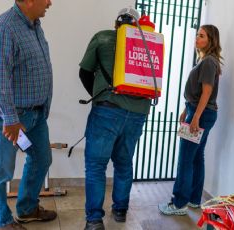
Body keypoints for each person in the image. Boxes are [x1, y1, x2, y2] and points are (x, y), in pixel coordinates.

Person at [0, 0, 57, 229]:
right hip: (11, 120)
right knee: (0, 171)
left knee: (42, 158)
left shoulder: (34, 25)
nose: (50, 3)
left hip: (33, 118)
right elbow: (0, 79)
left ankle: (26, 209)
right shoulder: (4, 28)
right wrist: (11, 120)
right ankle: (1, 222)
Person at [78, 7, 151, 230]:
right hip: (138, 113)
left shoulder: (102, 37)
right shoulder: (148, 46)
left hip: (107, 110)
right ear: (137, 25)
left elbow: (84, 72)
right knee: (123, 162)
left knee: (96, 165)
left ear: (116, 23)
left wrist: (101, 96)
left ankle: (94, 220)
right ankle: (120, 209)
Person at [158, 24, 223, 215]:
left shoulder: (208, 62)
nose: (197, 38)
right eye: (197, 35)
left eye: (201, 36)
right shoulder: (206, 61)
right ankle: (194, 199)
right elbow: (198, 93)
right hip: (199, 111)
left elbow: (207, 92)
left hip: (201, 114)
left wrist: (195, 117)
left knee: (186, 159)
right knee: (196, 157)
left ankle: (179, 204)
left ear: (211, 40)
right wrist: (187, 110)